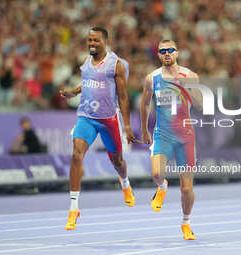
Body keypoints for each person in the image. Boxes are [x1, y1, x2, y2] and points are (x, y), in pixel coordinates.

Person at [60, 27, 136, 230]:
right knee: (77, 155)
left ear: (105, 42)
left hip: (108, 121)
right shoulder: (86, 62)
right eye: (89, 40)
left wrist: (127, 126)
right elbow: (87, 83)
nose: (91, 43)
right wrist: (73, 93)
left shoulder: (115, 65)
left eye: (96, 40)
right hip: (86, 117)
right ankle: (73, 208)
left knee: (118, 162)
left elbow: (123, 97)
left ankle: (125, 183)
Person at [140, 39, 201, 240]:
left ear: (177, 52)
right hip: (162, 134)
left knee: (186, 188)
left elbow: (201, 104)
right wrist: (144, 129)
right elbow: (145, 104)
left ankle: (186, 222)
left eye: (170, 50)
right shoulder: (152, 78)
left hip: (185, 136)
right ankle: (162, 186)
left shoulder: (190, 75)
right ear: (158, 55)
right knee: (157, 173)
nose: (166, 53)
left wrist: (189, 88)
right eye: (162, 51)